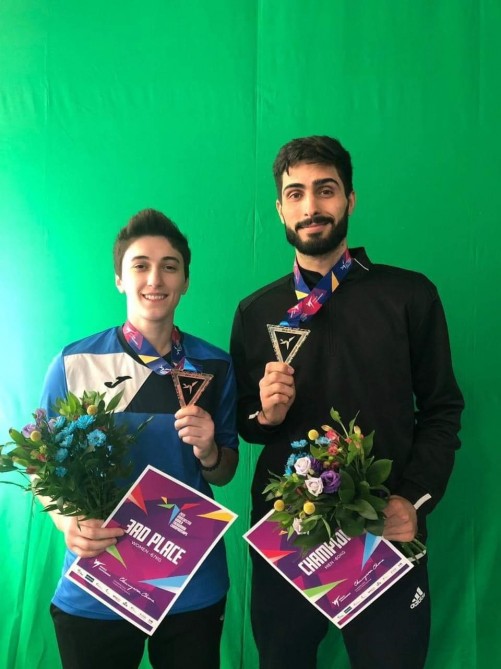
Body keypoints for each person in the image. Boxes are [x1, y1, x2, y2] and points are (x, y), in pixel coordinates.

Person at [230, 136, 464, 669]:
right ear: (280, 208)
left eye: (326, 190)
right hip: (287, 537)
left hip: (386, 527)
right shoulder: (255, 312)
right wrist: (265, 414)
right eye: (296, 194)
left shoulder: (409, 295)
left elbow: (442, 409)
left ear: (350, 199)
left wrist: (413, 500)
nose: (311, 207)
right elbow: (246, 424)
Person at [40, 208, 239, 669]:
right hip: (99, 580)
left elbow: (224, 471)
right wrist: (67, 523)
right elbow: (40, 465)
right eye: (140, 265)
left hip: (190, 581)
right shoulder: (73, 362)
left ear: (185, 281)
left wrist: (210, 450)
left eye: (170, 266)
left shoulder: (215, 365)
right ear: (119, 279)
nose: (155, 278)